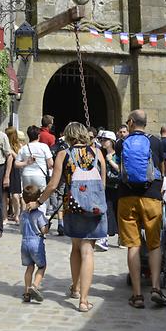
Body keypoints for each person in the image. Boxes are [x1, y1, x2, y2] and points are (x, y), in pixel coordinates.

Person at [35, 122, 107, 313]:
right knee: (87, 251)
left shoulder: (63, 154)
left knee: (76, 248)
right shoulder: (97, 153)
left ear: (68, 135)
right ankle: (83, 300)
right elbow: (103, 184)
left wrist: (39, 201)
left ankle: (75, 288)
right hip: (95, 207)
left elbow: (53, 184)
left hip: (72, 207)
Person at [117, 109, 166, 309]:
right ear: (145, 123)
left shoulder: (122, 142)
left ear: (130, 122)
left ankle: (137, 294)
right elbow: (162, 166)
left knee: (133, 245)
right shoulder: (156, 141)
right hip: (151, 195)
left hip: (127, 196)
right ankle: (155, 288)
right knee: (154, 244)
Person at [20, 185, 49, 303]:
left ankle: (27, 292)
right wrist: (47, 226)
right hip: (36, 243)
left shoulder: (22, 214)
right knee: (42, 266)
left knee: (29, 267)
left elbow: (21, 229)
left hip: (24, 242)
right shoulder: (39, 215)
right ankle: (35, 286)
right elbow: (44, 230)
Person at [15, 126, 54, 213]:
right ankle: (40, 218)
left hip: (26, 175)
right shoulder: (43, 147)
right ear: (39, 135)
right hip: (39, 175)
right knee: (41, 197)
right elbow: (51, 163)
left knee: (28, 197)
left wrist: (26, 163)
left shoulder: (24, 148)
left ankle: (28, 216)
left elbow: (16, 164)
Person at [98, 131, 121, 249]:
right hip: (106, 186)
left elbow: (120, 169)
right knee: (106, 211)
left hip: (117, 186)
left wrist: (110, 160)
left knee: (119, 212)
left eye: (105, 140)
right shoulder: (100, 154)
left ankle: (121, 237)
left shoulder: (118, 154)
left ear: (111, 141)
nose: (102, 142)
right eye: (101, 140)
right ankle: (104, 237)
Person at [4, 129, 25, 224]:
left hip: (15, 170)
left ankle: (17, 215)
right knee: (4, 195)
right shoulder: (4, 145)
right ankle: (5, 217)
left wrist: (12, 152)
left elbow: (19, 159)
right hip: (4, 169)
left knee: (16, 195)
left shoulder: (19, 146)